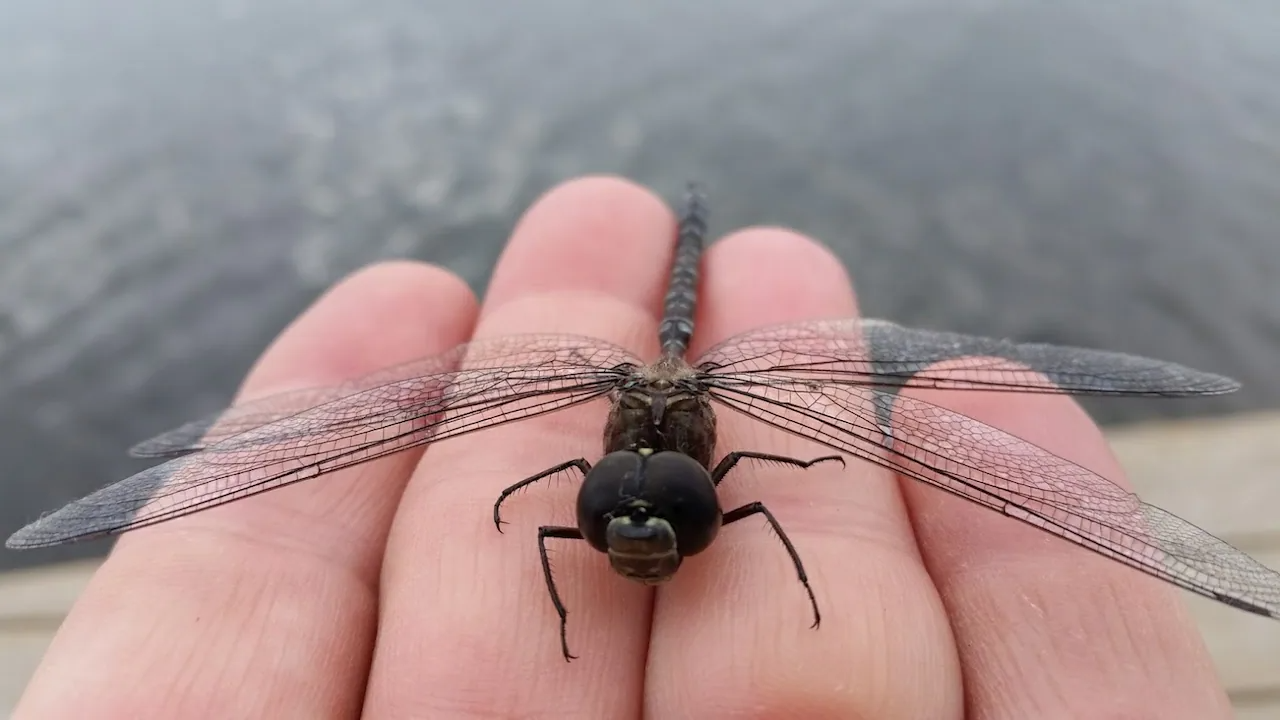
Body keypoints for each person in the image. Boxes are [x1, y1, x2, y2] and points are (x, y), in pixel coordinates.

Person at [14, 176, 1232, 718]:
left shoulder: (719, 440)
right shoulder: (598, 487)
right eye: (616, 514)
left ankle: (693, 217)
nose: (635, 534)